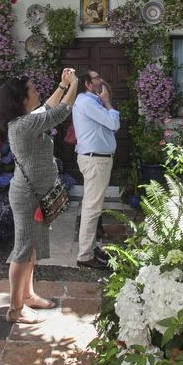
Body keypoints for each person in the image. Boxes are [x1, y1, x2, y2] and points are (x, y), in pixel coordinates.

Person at [0, 67, 78, 324]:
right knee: (22, 249)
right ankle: (15, 309)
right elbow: (61, 112)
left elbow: (46, 108)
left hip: (34, 193)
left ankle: (29, 295)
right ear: (21, 98)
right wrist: (75, 84)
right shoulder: (23, 125)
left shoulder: (28, 120)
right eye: (33, 89)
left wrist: (63, 86)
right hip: (27, 196)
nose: (38, 92)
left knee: (30, 248)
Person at [72, 70, 120, 269]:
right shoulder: (88, 102)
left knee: (92, 206)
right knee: (92, 208)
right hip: (95, 161)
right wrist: (108, 102)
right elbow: (114, 123)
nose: (101, 80)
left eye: (101, 77)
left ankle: (91, 247)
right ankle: (84, 256)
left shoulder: (90, 102)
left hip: (95, 159)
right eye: (96, 78)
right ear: (87, 83)